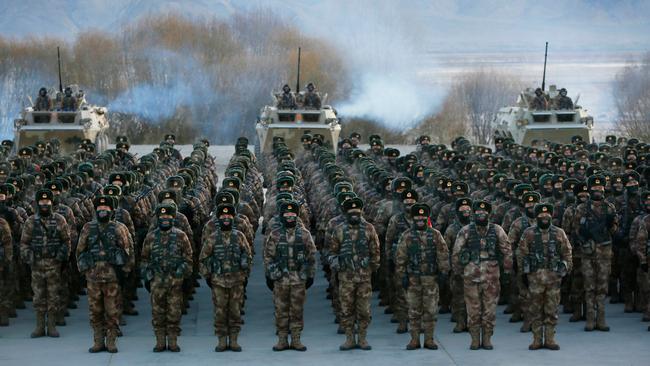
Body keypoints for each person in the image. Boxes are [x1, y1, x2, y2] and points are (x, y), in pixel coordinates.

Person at [452, 200, 513, 350]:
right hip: (471, 277)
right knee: (473, 310)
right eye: (478, 212)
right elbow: (456, 253)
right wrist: (459, 272)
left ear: (488, 214)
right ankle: (474, 339)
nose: (481, 214)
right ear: (474, 214)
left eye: (484, 212)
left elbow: (507, 251)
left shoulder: (497, 230)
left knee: (489, 310)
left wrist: (506, 271)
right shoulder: (466, 231)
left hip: (491, 277)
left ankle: (487, 338)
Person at [76, 195, 133, 353]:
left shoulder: (119, 228)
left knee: (112, 311)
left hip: (112, 278)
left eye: (106, 208)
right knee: (95, 311)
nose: (102, 211)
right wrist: (84, 271)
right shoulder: (88, 228)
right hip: (93, 278)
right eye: (100, 208)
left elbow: (128, 251)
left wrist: (125, 273)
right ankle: (98, 341)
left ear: (112, 210)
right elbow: (80, 251)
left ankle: (111, 340)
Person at [328, 197, 380, 351]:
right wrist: (338, 266)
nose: (355, 215)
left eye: (357, 212)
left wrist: (372, 269)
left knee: (364, 310)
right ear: (346, 213)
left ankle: (362, 338)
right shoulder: (339, 230)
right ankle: (349, 338)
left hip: (364, 278)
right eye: (351, 212)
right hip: (346, 278)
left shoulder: (369, 229)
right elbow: (331, 253)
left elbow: (375, 252)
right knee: (347, 310)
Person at [395, 203, 450, 350]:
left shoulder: (435, 235)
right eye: (417, 216)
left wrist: (444, 273)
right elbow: (400, 257)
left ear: (427, 217)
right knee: (413, 311)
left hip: (431, 279)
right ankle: (414, 340)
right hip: (413, 280)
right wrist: (402, 276)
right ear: (413, 218)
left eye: (423, 216)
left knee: (431, 311)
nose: (420, 219)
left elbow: (443, 255)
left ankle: (429, 340)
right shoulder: (407, 236)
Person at [264, 200, 316, 352]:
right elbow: (268, 257)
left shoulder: (305, 234)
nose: (289, 216)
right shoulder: (275, 235)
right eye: (286, 213)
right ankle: (282, 340)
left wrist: (309, 275)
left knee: (297, 310)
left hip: (298, 280)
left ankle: (296, 339)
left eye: (292, 213)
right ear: (282, 215)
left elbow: (311, 256)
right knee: (281, 310)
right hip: (280, 280)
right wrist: (271, 275)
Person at [518, 203, 572, 350]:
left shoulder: (559, 233)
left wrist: (566, 270)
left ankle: (550, 339)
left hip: (554, 278)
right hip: (535, 279)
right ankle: (536, 339)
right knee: (535, 310)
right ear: (537, 217)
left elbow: (567, 253)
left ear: (551, 215)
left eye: (547, 214)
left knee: (552, 310)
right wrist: (523, 273)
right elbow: (521, 254)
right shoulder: (528, 233)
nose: (544, 216)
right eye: (541, 215)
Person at [140, 203, 193, 352]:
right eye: (162, 216)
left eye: (168, 216)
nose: (165, 219)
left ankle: (173, 341)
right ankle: (160, 342)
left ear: (173, 218)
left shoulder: (181, 236)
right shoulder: (151, 237)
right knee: (158, 314)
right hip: (157, 282)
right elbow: (144, 259)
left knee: (174, 313)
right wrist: (148, 276)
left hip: (174, 283)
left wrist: (180, 272)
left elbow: (188, 258)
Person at [199, 203, 252, 352]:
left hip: (236, 281)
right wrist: (209, 276)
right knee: (220, 312)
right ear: (219, 218)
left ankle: (234, 340)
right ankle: (222, 340)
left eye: (229, 215)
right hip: (218, 282)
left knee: (235, 312)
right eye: (223, 215)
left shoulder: (239, 236)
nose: (226, 218)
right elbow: (203, 259)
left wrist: (244, 273)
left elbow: (247, 256)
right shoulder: (213, 238)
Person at [20, 189, 71, 338]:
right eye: (42, 202)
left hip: (53, 264)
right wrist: (29, 258)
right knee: (38, 296)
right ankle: (40, 326)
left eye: (47, 202)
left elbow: (66, 241)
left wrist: (61, 257)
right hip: (36, 265)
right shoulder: (30, 221)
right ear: (37, 203)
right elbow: (24, 243)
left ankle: (52, 326)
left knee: (54, 296)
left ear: (51, 202)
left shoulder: (60, 220)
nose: (44, 204)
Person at [572, 175, 618, 332]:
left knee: (602, 287)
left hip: (604, 253)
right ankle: (590, 320)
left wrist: (611, 224)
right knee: (589, 286)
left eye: (600, 188)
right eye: (594, 188)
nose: (597, 190)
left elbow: (614, 231)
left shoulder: (610, 208)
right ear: (590, 189)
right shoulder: (581, 208)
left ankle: (601, 319)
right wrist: (584, 235)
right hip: (588, 253)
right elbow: (575, 229)